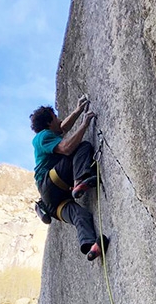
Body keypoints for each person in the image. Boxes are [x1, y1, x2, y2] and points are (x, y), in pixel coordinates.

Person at [30, 99, 109, 262]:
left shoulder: (46, 136)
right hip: (50, 182)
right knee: (82, 147)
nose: (59, 120)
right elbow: (66, 148)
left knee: (81, 215)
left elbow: (63, 127)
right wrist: (84, 124)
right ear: (48, 122)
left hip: (53, 203)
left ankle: (91, 247)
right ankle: (80, 180)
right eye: (55, 117)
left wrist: (78, 110)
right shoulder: (43, 136)